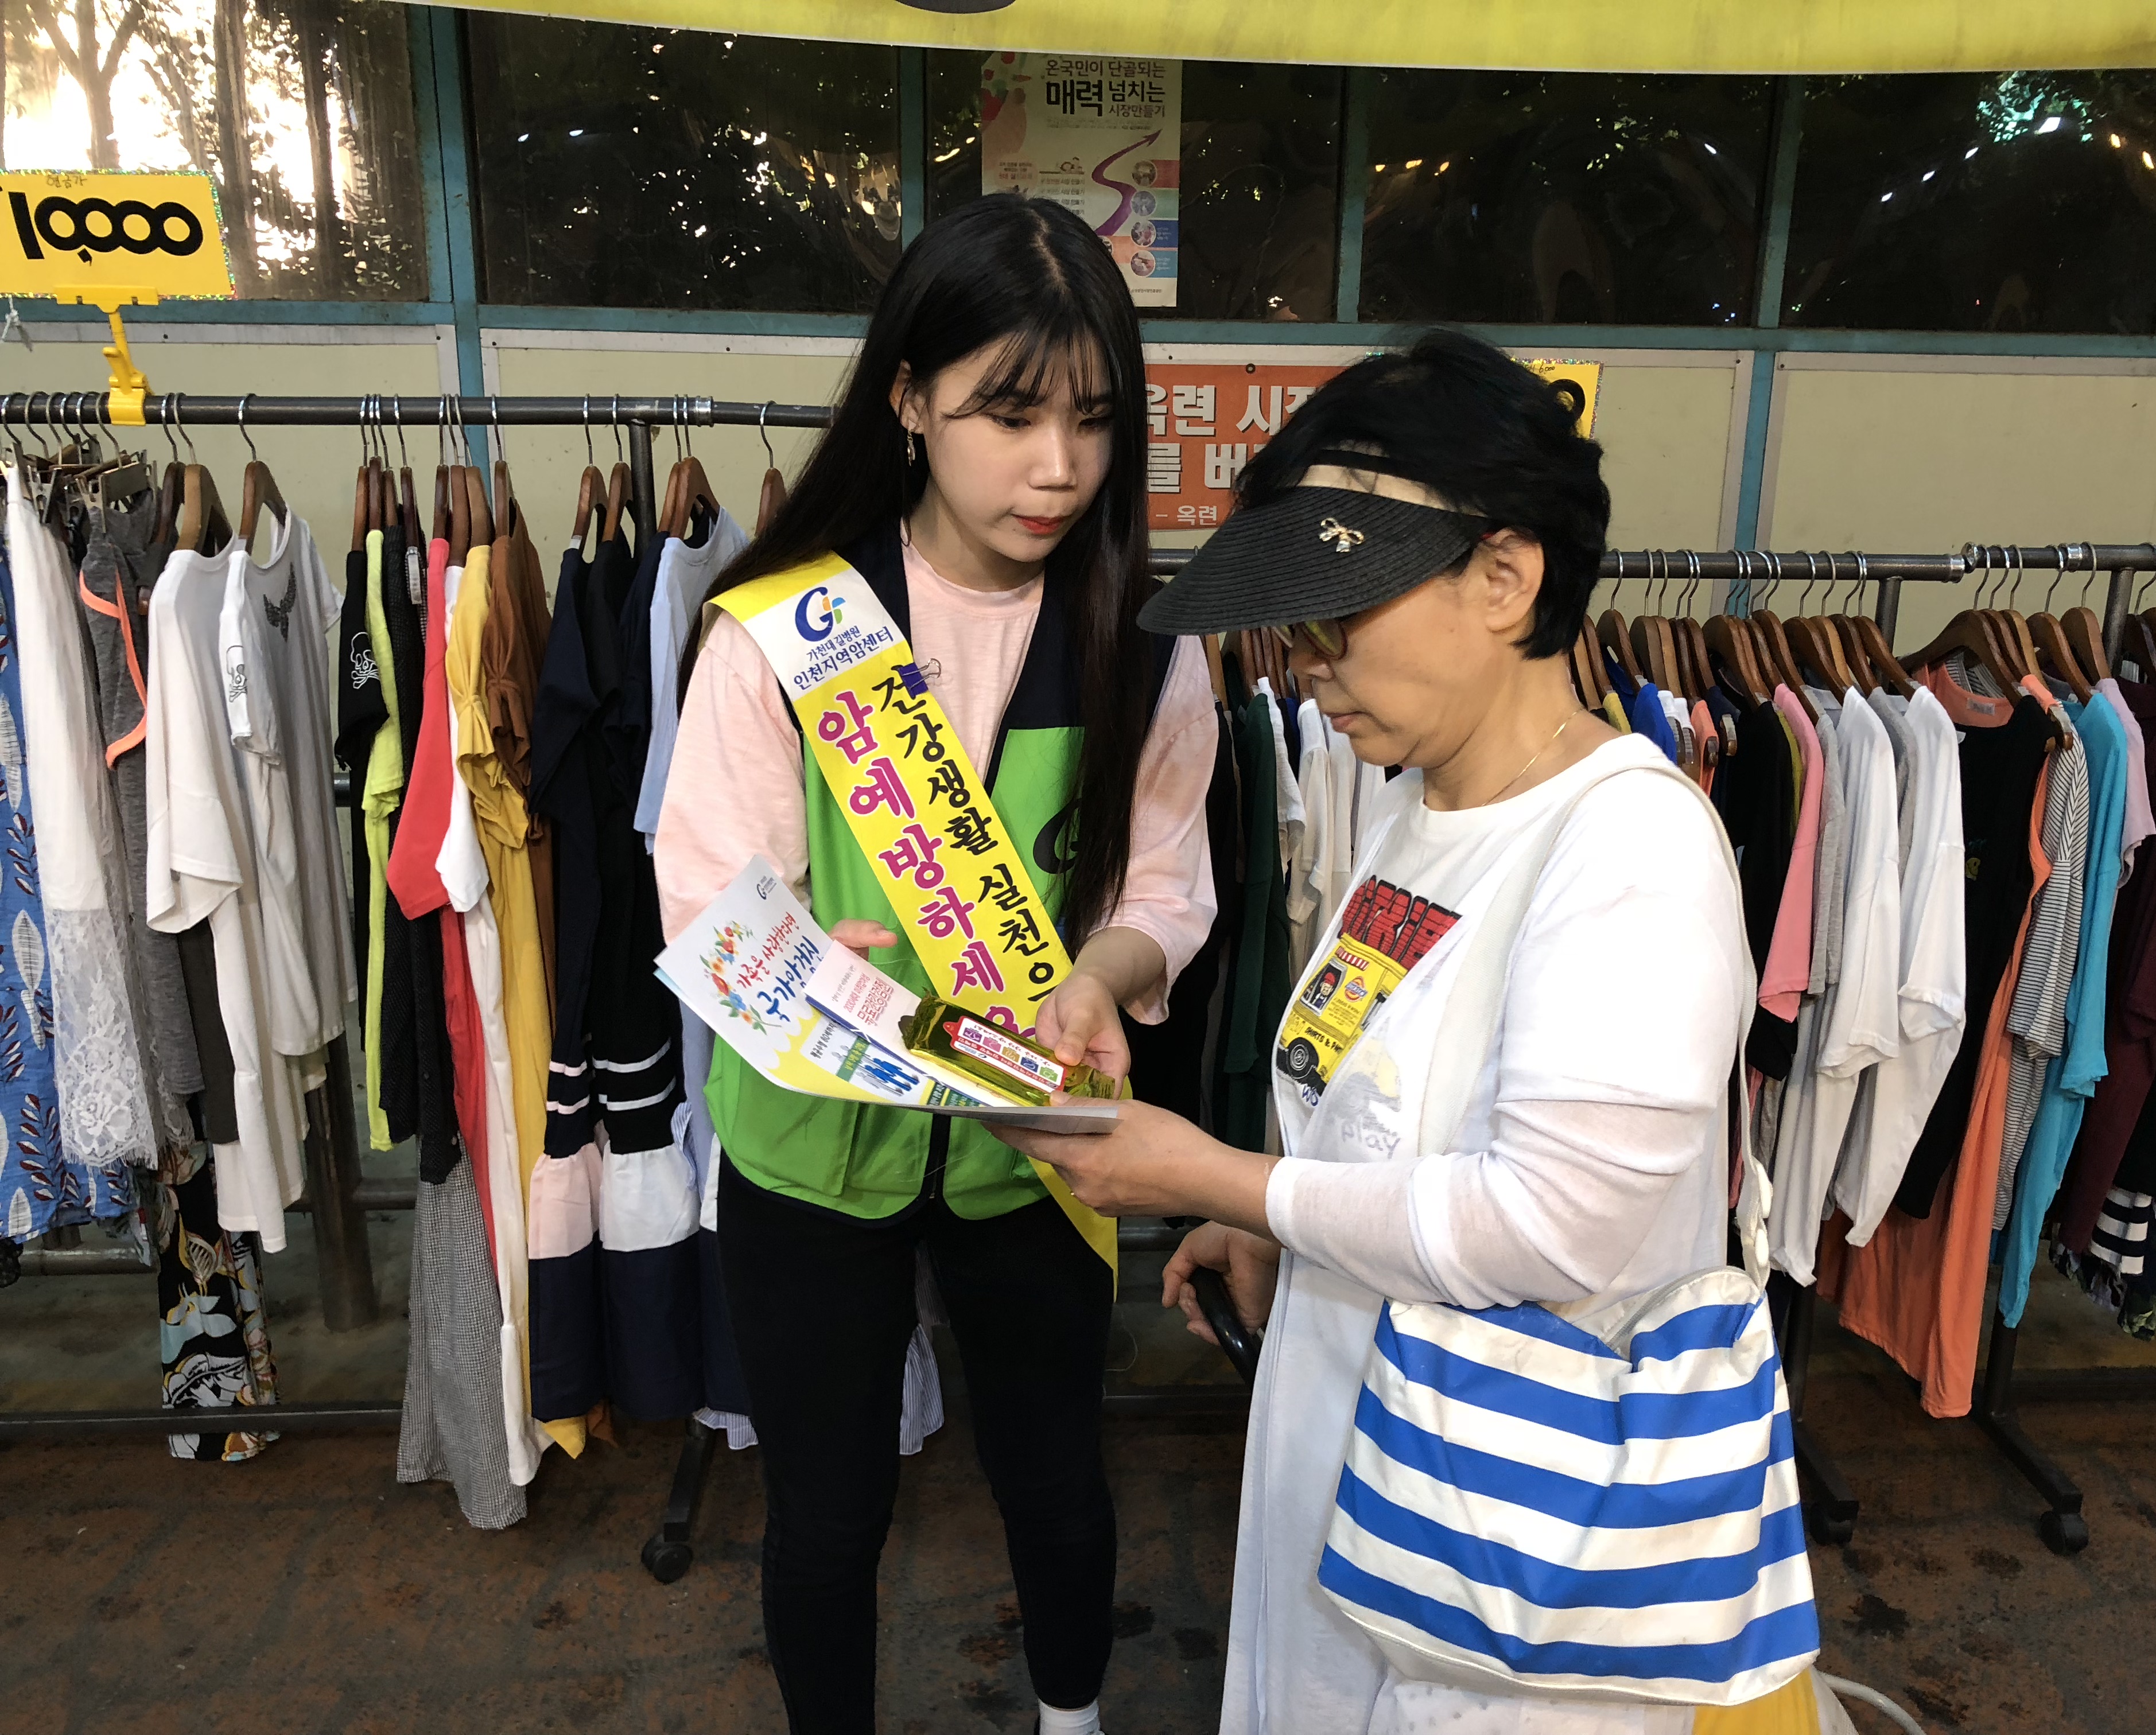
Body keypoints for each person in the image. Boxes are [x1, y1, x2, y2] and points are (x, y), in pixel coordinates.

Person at [998, 332, 1847, 1734]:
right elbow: (1382, 1104)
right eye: (1293, 630)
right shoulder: (1418, 806)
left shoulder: (1629, 849)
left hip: (1506, 1568)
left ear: (1505, 580)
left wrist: (1219, 1181)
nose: (1305, 666)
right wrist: (1283, 1233)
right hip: (1364, 1474)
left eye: (1338, 617)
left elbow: (1548, 1224)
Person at [655, 193, 1218, 1735]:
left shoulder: (1149, 641)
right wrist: (791, 966)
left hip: (1034, 1141)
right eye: (1010, 414)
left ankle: (1072, 1717)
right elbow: (709, 899)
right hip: (809, 1148)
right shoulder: (781, 631)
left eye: (1094, 419)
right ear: (909, 400)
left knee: (1057, 1475)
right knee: (828, 1515)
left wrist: (1102, 972)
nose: (1060, 468)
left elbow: (1165, 880)